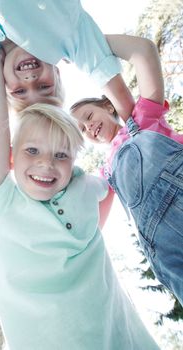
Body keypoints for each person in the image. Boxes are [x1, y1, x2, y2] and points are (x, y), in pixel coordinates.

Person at [0, 50, 161, 350]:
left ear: (75, 160)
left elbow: (122, 156)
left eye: (61, 155)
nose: (46, 164)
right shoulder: (2, 201)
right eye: (32, 151)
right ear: (11, 157)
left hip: (118, 335)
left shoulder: (86, 186)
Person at [70, 34, 183, 306]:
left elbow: (144, 51)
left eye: (87, 117)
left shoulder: (142, 118)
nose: (88, 128)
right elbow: (91, 227)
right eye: (82, 131)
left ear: (107, 105)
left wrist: (81, 42)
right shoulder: (106, 175)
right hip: (170, 256)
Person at [0, 0, 134, 115]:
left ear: (2, 84)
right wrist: (136, 126)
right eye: (44, 87)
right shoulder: (63, 32)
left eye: (19, 92)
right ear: (57, 73)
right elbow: (101, 71)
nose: (30, 80)